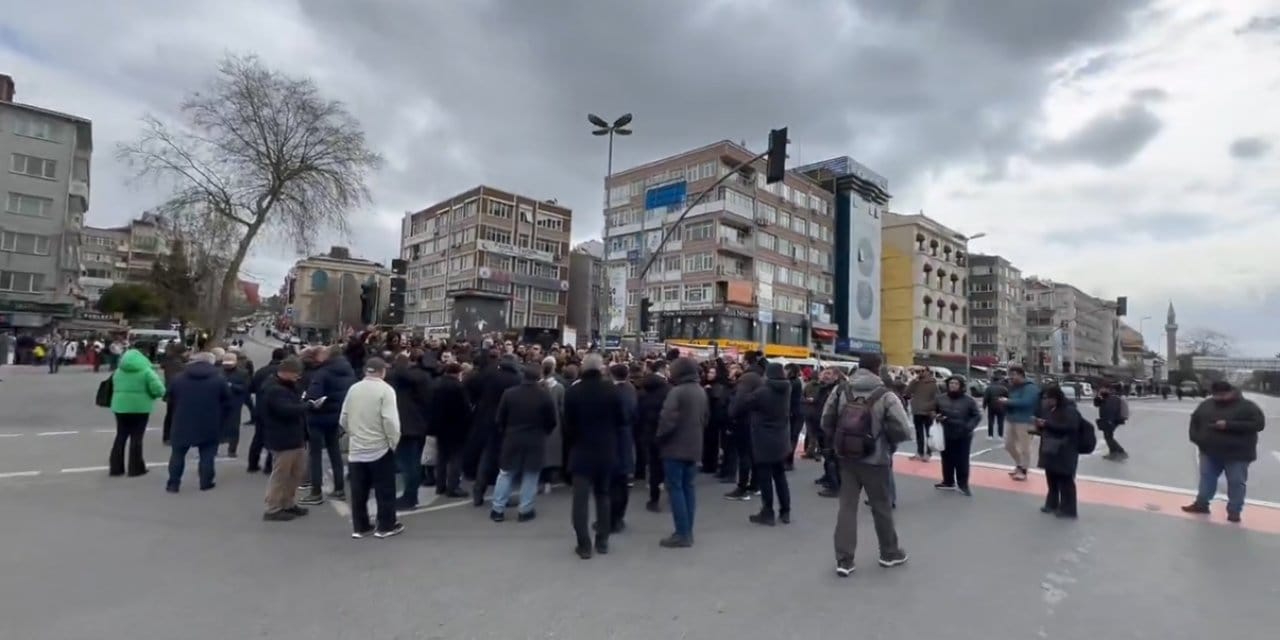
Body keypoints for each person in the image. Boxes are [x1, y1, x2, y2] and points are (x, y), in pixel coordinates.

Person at [821, 353, 911, 577]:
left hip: (846, 457)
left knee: (847, 508)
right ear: (878, 368)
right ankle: (889, 553)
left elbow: (826, 420)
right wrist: (886, 441)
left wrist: (838, 440)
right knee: (881, 507)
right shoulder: (885, 394)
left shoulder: (841, 389)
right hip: (876, 460)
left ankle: (844, 560)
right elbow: (903, 429)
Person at [562, 353, 625, 559]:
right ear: (601, 369)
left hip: (581, 450)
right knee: (603, 495)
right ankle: (603, 540)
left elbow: (567, 424)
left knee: (580, 500)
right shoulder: (612, 390)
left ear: (583, 368)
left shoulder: (573, 392)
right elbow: (622, 420)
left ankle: (584, 545)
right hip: (606, 450)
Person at [1181, 381, 1266, 523]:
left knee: (1236, 482)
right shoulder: (1207, 404)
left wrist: (1229, 425)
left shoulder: (1248, 406)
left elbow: (1259, 424)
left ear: (1231, 392)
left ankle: (1234, 511)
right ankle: (1202, 504)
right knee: (1206, 479)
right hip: (1209, 451)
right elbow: (1195, 419)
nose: (1219, 397)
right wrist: (1196, 438)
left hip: (1237, 454)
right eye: (1216, 395)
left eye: (1222, 395)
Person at [340, 357, 404, 539]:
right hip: (379, 447)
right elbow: (390, 420)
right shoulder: (386, 390)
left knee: (359, 491)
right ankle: (386, 525)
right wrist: (393, 442)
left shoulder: (354, 389)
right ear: (382, 371)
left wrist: (353, 433)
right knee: (385, 490)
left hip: (357, 448)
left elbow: (344, 417)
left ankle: (360, 527)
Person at [489, 364, 558, 522]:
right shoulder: (544, 396)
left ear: (523, 375)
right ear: (538, 377)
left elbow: (500, 418)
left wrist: (506, 431)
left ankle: (497, 509)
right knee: (531, 475)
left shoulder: (509, 394)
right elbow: (551, 421)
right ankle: (525, 510)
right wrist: (544, 432)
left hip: (512, 437)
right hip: (535, 438)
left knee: (506, 473)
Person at [655, 357, 709, 547]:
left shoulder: (677, 392)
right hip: (694, 445)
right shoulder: (700, 391)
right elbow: (705, 418)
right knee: (688, 488)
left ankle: (681, 533)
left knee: (675, 488)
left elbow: (667, 420)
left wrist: (659, 437)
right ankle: (687, 530)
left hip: (675, 446)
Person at [735, 362, 793, 526]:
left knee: (765, 477)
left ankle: (767, 512)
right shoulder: (786, 388)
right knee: (780, 476)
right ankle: (785, 511)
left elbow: (742, 404)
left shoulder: (763, 392)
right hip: (781, 438)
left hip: (763, 439)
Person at [165, 352, 232, 492]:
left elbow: (169, 399)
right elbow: (227, 401)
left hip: (182, 421)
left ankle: (173, 483)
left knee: (178, 454)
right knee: (207, 454)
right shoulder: (219, 379)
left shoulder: (178, 378)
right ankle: (205, 482)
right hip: (209, 421)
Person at [300, 345, 356, 505]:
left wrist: (305, 399)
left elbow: (313, 395)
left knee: (315, 455)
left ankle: (316, 492)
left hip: (318, 417)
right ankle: (339, 489)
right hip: (337, 416)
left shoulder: (323, 372)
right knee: (335, 452)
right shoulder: (349, 371)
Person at [259, 357, 310, 521]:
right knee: (281, 475)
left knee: (295, 473)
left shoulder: (289, 386)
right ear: (286, 372)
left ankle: (288, 502)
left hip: (295, 437)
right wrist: (307, 406)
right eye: (295, 373)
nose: (298, 377)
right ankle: (273, 508)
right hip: (282, 438)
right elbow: (285, 410)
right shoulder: (274, 389)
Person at [108, 347, 167, 477]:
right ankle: (135, 468)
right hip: (140, 408)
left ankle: (116, 468)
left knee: (120, 436)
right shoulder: (147, 372)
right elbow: (159, 390)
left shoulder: (118, 372)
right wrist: (153, 395)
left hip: (120, 407)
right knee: (136, 438)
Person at [388, 352, 432, 511]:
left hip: (404, 426)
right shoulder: (424, 378)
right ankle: (412, 495)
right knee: (414, 463)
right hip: (419, 424)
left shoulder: (398, 380)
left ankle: (410, 497)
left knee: (407, 464)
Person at [1034, 385, 1085, 519]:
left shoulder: (1070, 410)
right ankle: (1052, 504)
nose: (1046, 401)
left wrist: (1047, 425)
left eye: (1048, 398)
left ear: (1056, 398)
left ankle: (1068, 509)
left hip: (1065, 450)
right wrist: (1040, 426)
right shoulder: (1050, 409)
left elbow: (1071, 427)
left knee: (1065, 480)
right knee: (1051, 478)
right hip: (1051, 449)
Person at [725, 352, 765, 500]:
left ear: (747, 362)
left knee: (744, 455)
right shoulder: (760, 376)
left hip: (744, 420)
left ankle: (742, 487)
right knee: (753, 454)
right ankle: (755, 485)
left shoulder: (747, 378)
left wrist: (731, 415)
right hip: (756, 420)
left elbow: (739, 400)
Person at [429, 362, 471, 498]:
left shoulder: (436, 385)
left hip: (440, 427)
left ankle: (440, 485)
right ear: (458, 373)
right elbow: (465, 408)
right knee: (456, 458)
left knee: (442, 456)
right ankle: (453, 487)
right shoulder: (459, 387)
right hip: (456, 427)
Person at [934, 375, 982, 496]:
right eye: (951, 383)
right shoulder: (940, 398)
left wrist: (968, 427)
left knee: (962, 460)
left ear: (961, 386)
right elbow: (933, 411)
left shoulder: (969, 400)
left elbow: (977, 415)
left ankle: (963, 484)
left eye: (956, 383)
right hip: (945, 432)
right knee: (946, 458)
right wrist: (936, 417)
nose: (953, 385)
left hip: (963, 434)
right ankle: (948, 481)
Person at [635, 359, 671, 512]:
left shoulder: (642, 391)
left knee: (654, 466)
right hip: (665, 433)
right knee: (668, 464)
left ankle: (654, 499)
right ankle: (672, 495)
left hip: (648, 432)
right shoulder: (668, 391)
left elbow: (637, 413)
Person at [609, 362, 639, 533]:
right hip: (627, 438)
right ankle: (619, 517)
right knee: (623, 481)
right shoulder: (631, 390)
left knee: (611, 483)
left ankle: (611, 519)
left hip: (612, 439)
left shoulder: (610, 392)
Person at [247, 348, 286, 473]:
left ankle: (252, 463)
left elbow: (251, 388)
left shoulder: (261, 371)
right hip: (276, 409)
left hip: (260, 408)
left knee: (258, 437)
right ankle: (269, 465)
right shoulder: (283, 373)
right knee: (274, 437)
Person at [1000, 366, 1041, 481]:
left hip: (1025, 420)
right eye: (1010, 375)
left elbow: (1026, 402)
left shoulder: (1030, 388)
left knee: (1024, 447)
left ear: (1021, 375)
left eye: (1013, 375)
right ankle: (1019, 464)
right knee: (1008, 445)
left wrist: (1008, 401)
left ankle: (1023, 470)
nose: (1011, 377)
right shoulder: (1013, 387)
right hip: (1011, 419)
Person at [219, 352, 250, 458]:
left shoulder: (243, 373)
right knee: (217, 426)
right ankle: (215, 446)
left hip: (235, 403)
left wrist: (231, 386)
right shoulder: (218, 372)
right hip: (220, 402)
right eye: (226, 364)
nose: (227, 366)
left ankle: (232, 449)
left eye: (230, 364)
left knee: (234, 427)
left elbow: (245, 388)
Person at [904, 368, 939, 461]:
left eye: (923, 371)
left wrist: (931, 408)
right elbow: (907, 392)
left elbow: (936, 398)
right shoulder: (916, 382)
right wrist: (913, 381)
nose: (920, 373)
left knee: (929, 434)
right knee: (919, 433)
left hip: (928, 412)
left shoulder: (933, 384)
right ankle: (919, 452)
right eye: (919, 371)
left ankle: (928, 453)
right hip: (917, 411)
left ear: (928, 372)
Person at [1093, 383, 1128, 461]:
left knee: (1108, 437)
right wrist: (1097, 396)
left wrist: (1109, 420)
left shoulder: (1112, 397)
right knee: (1108, 436)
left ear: (1109, 389)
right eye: (1101, 388)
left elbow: (1111, 409)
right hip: (1108, 419)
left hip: (1111, 420)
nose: (1101, 390)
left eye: (1103, 388)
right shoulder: (1105, 396)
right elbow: (1096, 404)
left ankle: (1120, 452)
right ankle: (1114, 452)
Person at [982, 375, 1008, 440]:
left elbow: (986, 398)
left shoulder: (989, 388)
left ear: (992, 380)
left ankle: (990, 435)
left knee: (991, 421)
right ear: (999, 381)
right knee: (1000, 421)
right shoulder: (1004, 388)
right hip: (1001, 406)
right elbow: (1007, 398)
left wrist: (984, 407)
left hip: (991, 406)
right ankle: (1000, 436)